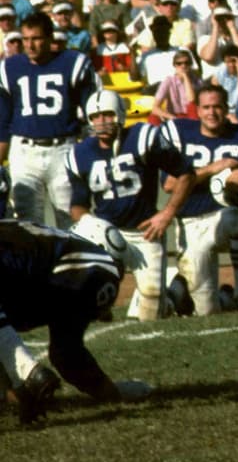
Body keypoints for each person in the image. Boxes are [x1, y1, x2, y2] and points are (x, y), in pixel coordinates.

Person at [0, 217, 154, 425]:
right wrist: (113, 393)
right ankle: (29, 372)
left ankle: (27, 374)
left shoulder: (42, 245)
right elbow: (67, 355)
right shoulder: (92, 264)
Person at [65, 91, 192, 322]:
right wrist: (90, 225)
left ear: (120, 115)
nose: (102, 122)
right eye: (96, 116)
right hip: (108, 236)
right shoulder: (78, 154)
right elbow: (78, 205)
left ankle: (173, 292)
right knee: (91, 305)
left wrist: (167, 213)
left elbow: (185, 173)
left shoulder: (142, 137)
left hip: (145, 232)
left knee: (151, 313)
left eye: (108, 114)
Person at [161, 84, 238, 315]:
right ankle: (219, 294)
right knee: (205, 310)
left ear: (226, 108)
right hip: (189, 222)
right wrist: (214, 168)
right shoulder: (180, 133)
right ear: (197, 110)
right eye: (206, 107)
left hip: (223, 216)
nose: (212, 113)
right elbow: (169, 184)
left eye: (217, 107)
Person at [0, 12, 99, 229]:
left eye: (36, 38)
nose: (30, 45)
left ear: (50, 38)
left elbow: (92, 111)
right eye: (25, 39)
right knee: (26, 221)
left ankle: (71, 263)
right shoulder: (10, 67)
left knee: (69, 218)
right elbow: (4, 119)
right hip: (23, 151)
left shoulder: (72, 62)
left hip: (62, 149)